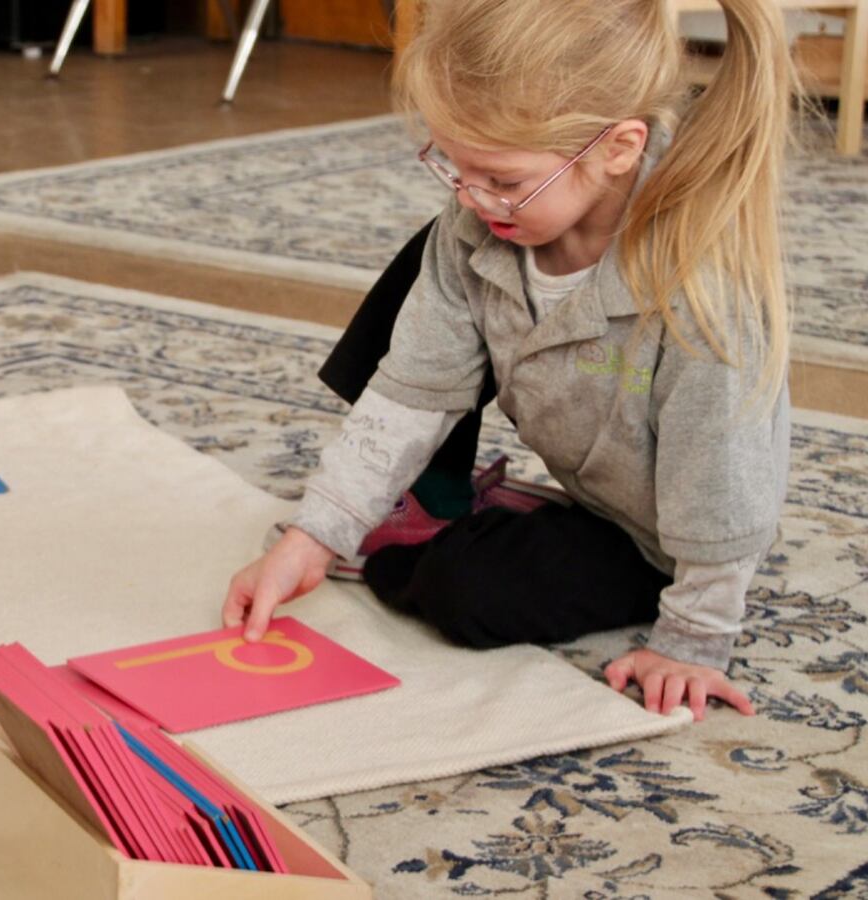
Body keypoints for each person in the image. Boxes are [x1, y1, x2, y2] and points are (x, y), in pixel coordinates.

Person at [222, 0, 799, 722]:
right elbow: (414, 389)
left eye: (502, 178)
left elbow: (721, 480)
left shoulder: (704, 291)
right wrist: (315, 536)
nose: (471, 196)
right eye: (454, 167)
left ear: (618, 149)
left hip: (664, 538)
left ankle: (462, 529)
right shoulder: (477, 221)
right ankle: (432, 497)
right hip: (591, 484)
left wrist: (693, 639)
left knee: (458, 593)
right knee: (438, 252)